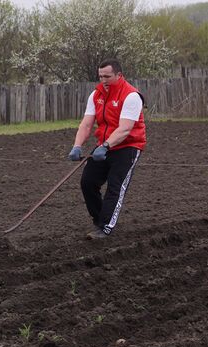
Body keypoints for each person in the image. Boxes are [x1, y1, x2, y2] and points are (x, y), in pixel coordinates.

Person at [68, 59, 145, 239]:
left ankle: (106, 227)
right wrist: (77, 146)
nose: (103, 80)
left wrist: (106, 145)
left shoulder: (131, 95)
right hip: (103, 145)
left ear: (119, 75)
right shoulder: (96, 94)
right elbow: (87, 124)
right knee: (88, 182)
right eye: (100, 76)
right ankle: (99, 219)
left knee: (115, 186)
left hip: (128, 146)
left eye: (107, 76)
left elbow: (125, 129)